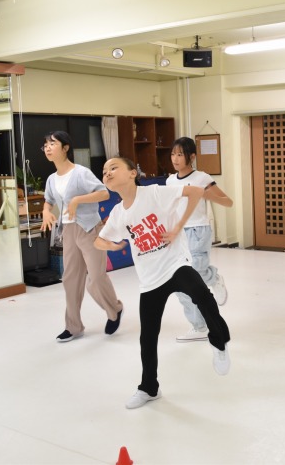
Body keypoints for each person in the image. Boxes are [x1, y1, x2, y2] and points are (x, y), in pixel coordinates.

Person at [95, 157, 231, 409]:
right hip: (150, 279)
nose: (107, 173)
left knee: (201, 294)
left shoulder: (154, 193)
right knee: (147, 337)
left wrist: (178, 226)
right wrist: (111, 246)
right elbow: (98, 241)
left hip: (175, 264)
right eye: (104, 171)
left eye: (113, 167)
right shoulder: (118, 213)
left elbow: (195, 192)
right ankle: (149, 388)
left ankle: (219, 341)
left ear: (132, 173)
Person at [40, 131, 123, 343]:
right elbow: (48, 200)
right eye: (45, 145)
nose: (48, 147)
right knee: (71, 280)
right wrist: (46, 211)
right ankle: (73, 327)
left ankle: (114, 309)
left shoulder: (80, 172)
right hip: (68, 231)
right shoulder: (51, 179)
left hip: (89, 229)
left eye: (52, 143)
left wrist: (77, 200)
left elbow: (104, 193)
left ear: (65, 147)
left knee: (95, 278)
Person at [166, 137, 232, 343]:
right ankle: (199, 326)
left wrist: (204, 195)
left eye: (180, 154)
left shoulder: (202, 178)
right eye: (173, 154)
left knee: (197, 275)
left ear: (192, 157)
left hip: (198, 230)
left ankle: (214, 278)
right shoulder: (169, 181)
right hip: (178, 234)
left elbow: (228, 202)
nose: (175, 159)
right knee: (181, 284)